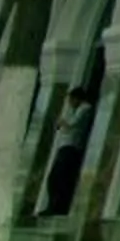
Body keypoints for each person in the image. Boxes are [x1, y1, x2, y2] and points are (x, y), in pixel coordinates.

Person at [42, 84, 97, 216]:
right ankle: (52, 205)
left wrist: (63, 123)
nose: (70, 103)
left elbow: (71, 124)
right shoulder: (74, 110)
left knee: (60, 178)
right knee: (54, 178)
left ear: (77, 98)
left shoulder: (85, 108)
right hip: (65, 146)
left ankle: (57, 207)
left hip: (71, 147)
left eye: (71, 100)